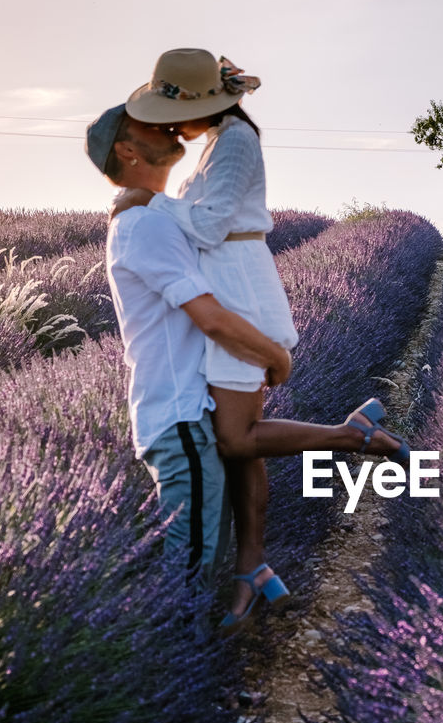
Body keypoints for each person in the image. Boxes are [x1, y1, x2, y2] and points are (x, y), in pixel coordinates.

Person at [112, 49, 410, 629]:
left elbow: (209, 224)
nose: (171, 127)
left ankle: (353, 436)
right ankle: (253, 568)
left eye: (175, 115)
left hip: (239, 292)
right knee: (240, 444)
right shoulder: (219, 141)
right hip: (230, 283)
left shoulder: (236, 143)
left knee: (237, 437)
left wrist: (149, 200)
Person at [84, 101, 292, 592]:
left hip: (185, 417)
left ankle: (242, 593)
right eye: (147, 125)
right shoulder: (146, 224)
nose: (165, 124)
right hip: (178, 421)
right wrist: (273, 356)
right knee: (190, 576)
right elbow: (211, 318)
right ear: (128, 150)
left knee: (200, 564)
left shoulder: (158, 216)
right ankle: (178, 657)